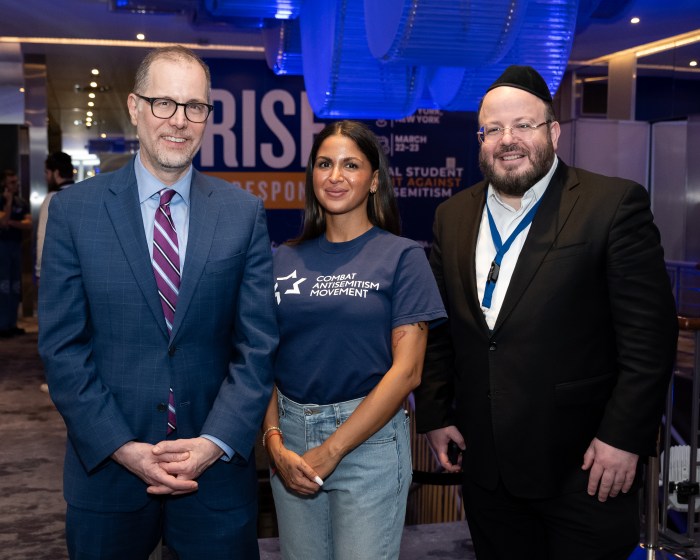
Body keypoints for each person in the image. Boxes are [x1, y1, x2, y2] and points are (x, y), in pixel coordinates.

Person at [414, 65, 678, 560]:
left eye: (523, 125)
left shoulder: (611, 204)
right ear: (480, 139)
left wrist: (623, 437)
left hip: (586, 467)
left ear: (553, 132)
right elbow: (440, 329)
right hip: (487, 469)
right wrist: (433, 413)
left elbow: (649, 339)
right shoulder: (453, 216)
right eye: (493, 129)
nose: (507, 140)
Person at [38, 45, 278, 560]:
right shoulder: (74, 212)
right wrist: (122, 447)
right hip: (107, 471)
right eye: (163, 103)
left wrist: (212, 443)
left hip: (215, 476)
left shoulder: (243, 214)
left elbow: (257, 347)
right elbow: (62, 349)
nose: (180, 120)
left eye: (195, 106)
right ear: (134, 106)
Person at [263, 120, 446, 560]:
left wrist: (333, 448)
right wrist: (272, 440)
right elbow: (260, 359)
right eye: (324, 164)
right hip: (289, 441)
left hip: (369, 444)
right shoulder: (282, 258)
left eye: (351, 165)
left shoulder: (402, 257)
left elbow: (408, 372)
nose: (335, 176)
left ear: (374, 180)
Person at [0, 169, 31, 338]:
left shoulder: (22, 202)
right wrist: (8, 203)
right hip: (3, 246)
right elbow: (2, 222)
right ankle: (3, 324)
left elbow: (28, 224)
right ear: (4, 184)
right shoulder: (2, 200)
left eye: (16, 182)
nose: (15, 185)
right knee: (4, 285)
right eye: (12, 182)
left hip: (16, 246)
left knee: (15, 286)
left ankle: (12, 323)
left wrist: (10, 222)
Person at [36, 151, 76, 282]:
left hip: (57, 271)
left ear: (56, 173)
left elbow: (43, 237)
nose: (46, 177)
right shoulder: (83, 195)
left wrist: (39, 272)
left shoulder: (52, 198)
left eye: (47, 172)